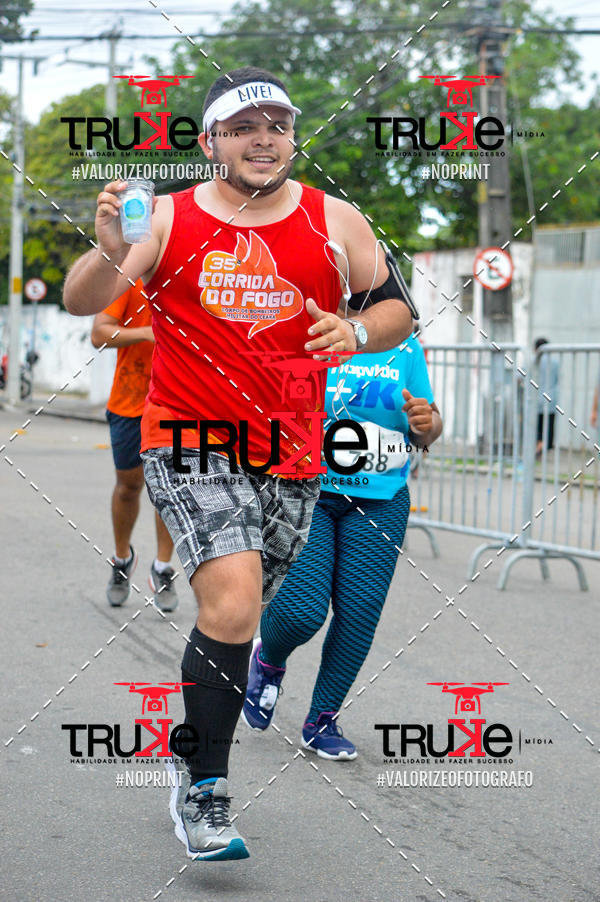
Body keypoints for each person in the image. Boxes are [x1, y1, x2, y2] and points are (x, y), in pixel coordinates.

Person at [63, 65, 414, 861]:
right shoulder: (172, 219)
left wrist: (355, 333)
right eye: (245, 126)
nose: (265, 139)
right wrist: (110, 249)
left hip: (291, 450)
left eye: (279, 125)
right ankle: (205, 788)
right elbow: (84, 302)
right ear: (209, 140)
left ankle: (201, 736)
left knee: (245, 610)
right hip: (188, 437)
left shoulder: (336, 220)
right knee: (230, 602)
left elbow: (396, 309)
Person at [242, 334, 442, 758]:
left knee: (358, 614)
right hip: (304, 487)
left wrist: (427, 424)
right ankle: (269, 660)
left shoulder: (403, 344)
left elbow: (427, 425)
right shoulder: (302, 326)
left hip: (380, 498)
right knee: (301, 612)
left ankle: (322, 718)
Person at [90, 281, 178, 612]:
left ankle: (163, 567)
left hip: (179, 406)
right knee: (129, 487)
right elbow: (99, 333)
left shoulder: (199, 277)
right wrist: (146, 333)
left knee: (170, 490)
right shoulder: (130, 280)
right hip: (130, 404)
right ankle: (122, 558)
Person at [534, 337, 559, 458]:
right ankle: (544, 447)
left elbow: (520, 375)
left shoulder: (534, 360)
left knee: (538, 427)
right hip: (552, 400)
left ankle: (538, 447)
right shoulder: (555, 362)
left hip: (536, 400)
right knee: (548, 426)